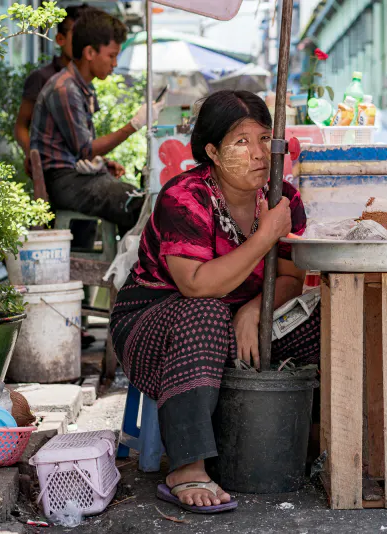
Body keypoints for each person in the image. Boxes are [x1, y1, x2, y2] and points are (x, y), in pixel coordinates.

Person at [109, 91, 318, 514]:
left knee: (327, 315)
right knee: (205, 313)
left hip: (240, 325)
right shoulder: (184, 197)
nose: (258, 153)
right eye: (241, 142)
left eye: (264, 139)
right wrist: (265, 235)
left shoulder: (283, 199)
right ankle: (187, 466)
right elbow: (197, 286)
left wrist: (253, 308)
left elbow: (293, 277)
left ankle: (316, 439)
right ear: (213, 152)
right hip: (156, 326)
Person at [29, 7, 162, 235]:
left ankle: (128, 264)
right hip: (64, 182)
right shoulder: (65, 89)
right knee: (137, 203)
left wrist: (102, 162)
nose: (114, 63)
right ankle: (136, 267)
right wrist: (134, 125)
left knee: (137, 198)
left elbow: (83, 148)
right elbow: (85, 150)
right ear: (90, 52)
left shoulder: (81, 87)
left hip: (75, 175)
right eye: (111, 55)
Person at [14, 3, 90, 165]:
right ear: (60, 39)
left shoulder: (85, 82)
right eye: (77, 37)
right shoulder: (41, 78)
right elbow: (21, 127)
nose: (83, 44)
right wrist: (34, 158)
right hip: (55, 170)